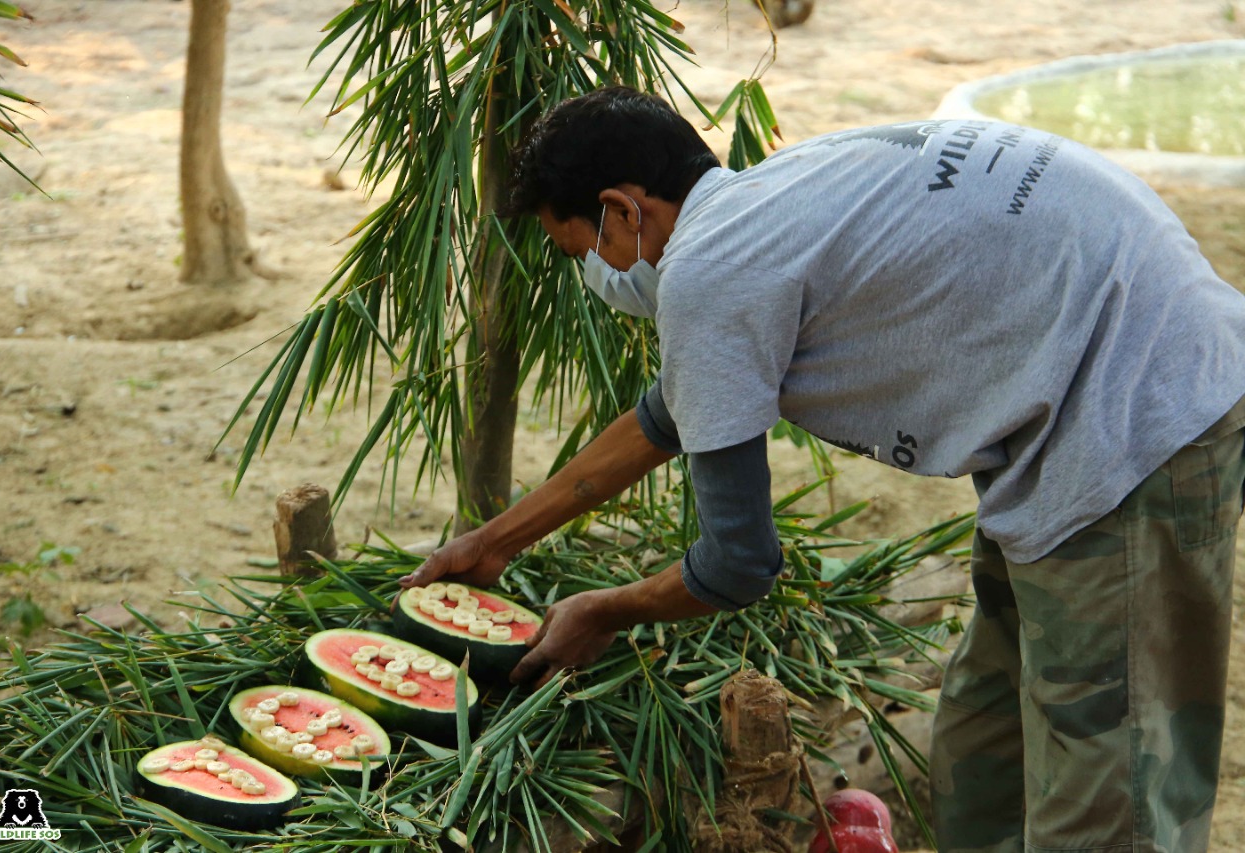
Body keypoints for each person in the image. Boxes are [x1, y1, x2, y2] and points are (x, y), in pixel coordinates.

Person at [398, 86, 1245, 852]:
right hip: (1069, 394)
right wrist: (498, 539)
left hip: (1138, 408)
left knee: (1109, 781)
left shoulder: (709, 267)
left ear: (625, 210)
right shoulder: (760, 198)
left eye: (583, 246)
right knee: (982, 745)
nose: (598, 274)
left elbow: (738, 563)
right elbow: (669, 416)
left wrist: (605, 610)